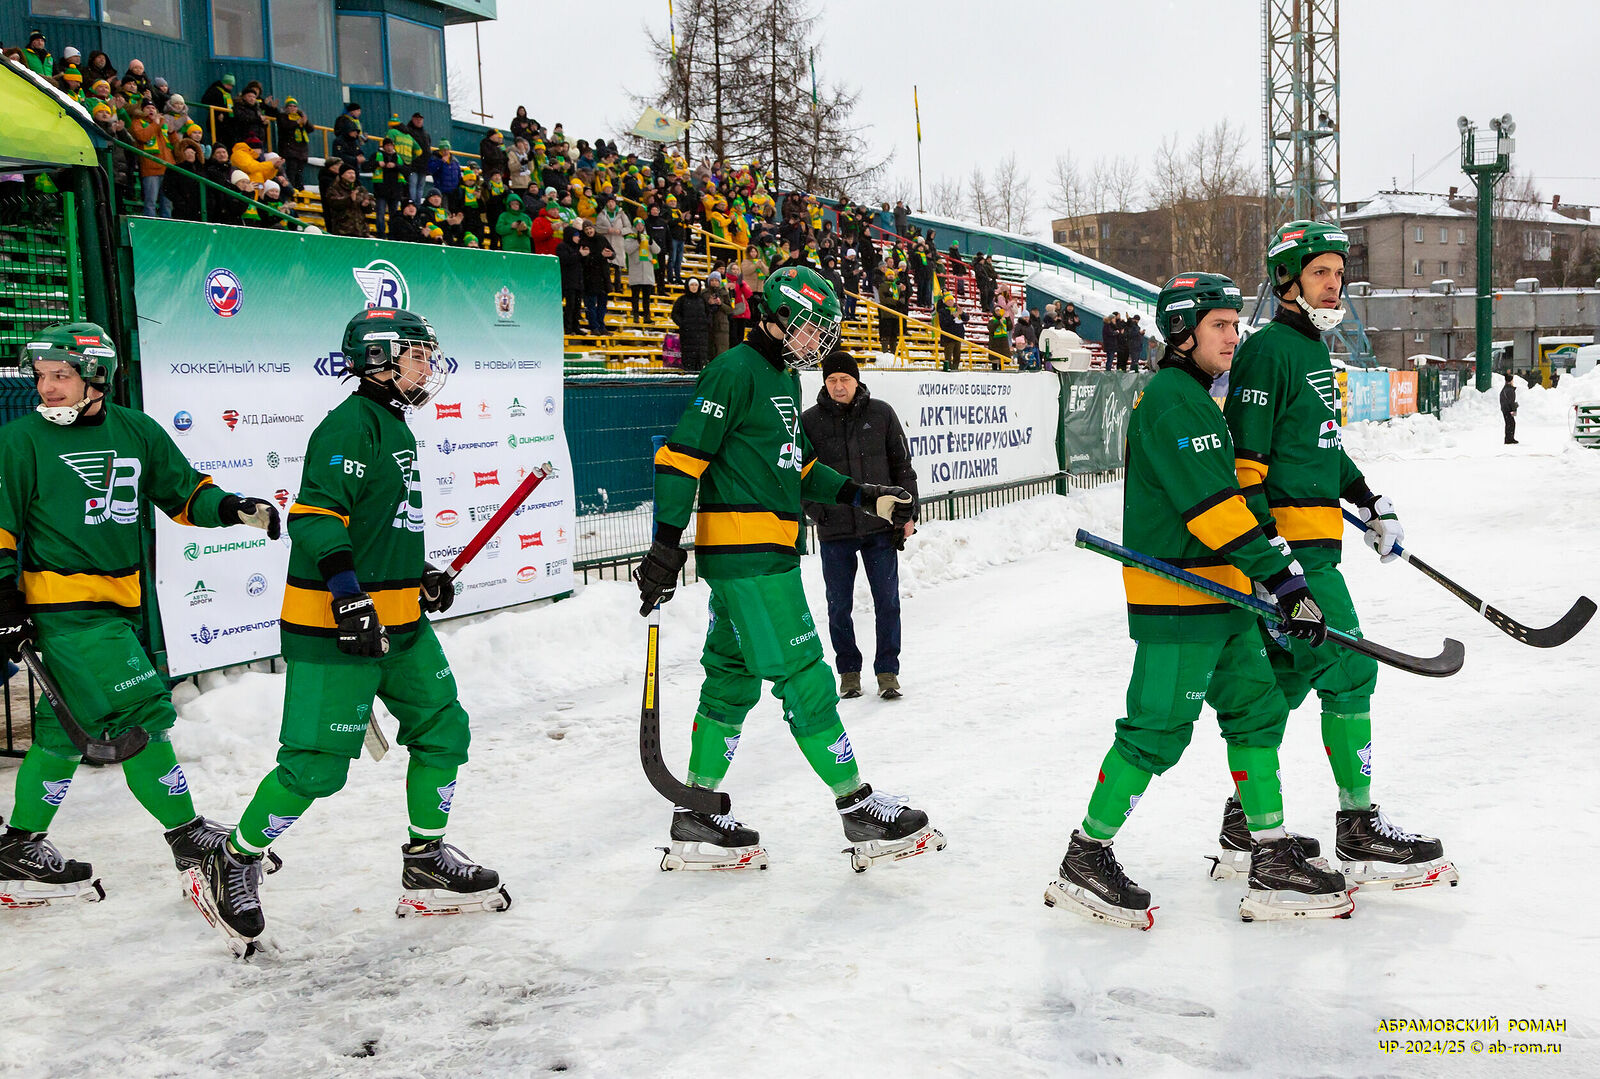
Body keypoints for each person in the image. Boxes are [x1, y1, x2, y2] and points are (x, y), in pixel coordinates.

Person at [190, 308, 508, 955]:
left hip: (400, 621)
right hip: (335, 627)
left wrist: (417, 574)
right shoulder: (350, 425)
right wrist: (349, 598)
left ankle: (425, 857)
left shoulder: (393, 424)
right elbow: (315, 519)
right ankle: (234, 857)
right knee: (316, 767)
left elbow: (375, 526)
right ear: (379, 360)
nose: (428, 364)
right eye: (417, 353)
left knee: (444, 730)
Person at [1044, 274, 1350, 930]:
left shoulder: (1200, 398)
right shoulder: (1173, 400)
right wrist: (1286, 581)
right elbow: (1212, 511)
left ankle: (1268, 852)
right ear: (1182, 332)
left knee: (1257, 712)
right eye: (1220, 325)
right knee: (1156, 730)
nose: (1234, 337)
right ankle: (1086, 854)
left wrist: (1266, 577)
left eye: (1236, 324)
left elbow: (1231, 504)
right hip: (1181, 601)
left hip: (1223, 597)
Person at [636, 266, 941, 873]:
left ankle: (696, 813)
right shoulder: (734, 371)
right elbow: (681, 458)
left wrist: (865, 496)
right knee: (804, 675)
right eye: (810, 327)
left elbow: (797, 467)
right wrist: (665, 545)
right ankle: (857, 806)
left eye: (823, 331)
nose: (817, 341)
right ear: (776, 317)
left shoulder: (781, 377)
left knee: (730, 679)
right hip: (748, 558)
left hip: (763, 556)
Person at [0, 323, 283, 911]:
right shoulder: (19, 440)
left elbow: (185, 494)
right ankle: (188, 836)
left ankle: (19, 845)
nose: (46, 388)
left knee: (62, 731)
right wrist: (3, 598)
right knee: (142, 713)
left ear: (96, 376)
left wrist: (234, 507)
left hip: (117, 606)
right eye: (42, 377)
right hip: (66, 611)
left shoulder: (137, 430)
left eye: (60, 376)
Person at [1223, 221, 1457, 891]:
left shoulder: (1312, 350)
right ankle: (1358, 827)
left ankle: (1245, 824)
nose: (1335, 283)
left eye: (1338, 271)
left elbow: (1323, 448)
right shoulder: (1268, 351)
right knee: (1351, 673)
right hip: (1296, 555)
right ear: (1287, 280)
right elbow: (1246, 468)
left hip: (1318, 542)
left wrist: (1371, 502)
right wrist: (1272, 566)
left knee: (1283, 686)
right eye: (1320, 271)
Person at [802, 351, 918, 701]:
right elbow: (799, 475)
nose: (838, 386)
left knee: (888, 602)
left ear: (857, 381)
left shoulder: (881, 414)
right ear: (824, 382)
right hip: (834, 531)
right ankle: (849, 672)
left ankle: (887, 671)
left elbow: (902, 466)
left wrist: (908, 514)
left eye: (845, 380)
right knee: (838, 606)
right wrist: (818, 513)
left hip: (880, 528)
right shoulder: (809, 422)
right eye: (832, 380)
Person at [578, 222, 614, 336]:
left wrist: (610, 254)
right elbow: (586, 261)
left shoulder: (601, 238)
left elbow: (612, 253)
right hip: (590, 278)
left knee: (603, 305)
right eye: (586, 230)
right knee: (591, 305)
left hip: (603, 277)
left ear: (594, 228)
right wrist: (601, 255)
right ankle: (594, 326)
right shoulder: (583, 242)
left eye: (590, 228)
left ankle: (601, 326)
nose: (589, 231)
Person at [670, 277, 710, 372]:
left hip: (701, 336)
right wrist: (683, 324)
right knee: (688, 362)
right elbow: (674, 314)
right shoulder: (682, 300)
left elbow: (709, 314)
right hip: (687, 336)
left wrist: (706, 324)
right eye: (692, 285)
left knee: (700, 362)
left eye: (696, 285)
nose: (694, 287)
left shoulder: (702, 300)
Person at [323, 163, 374, 237]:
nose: (352, 175)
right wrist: (349, 199)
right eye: (349, 173)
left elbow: (370, 206)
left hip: (361, 231)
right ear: (342, 175)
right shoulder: (335, 189)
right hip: (343, 231)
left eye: (353, 173)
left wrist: (366, 205)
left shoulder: (361, 189)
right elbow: (334, 203)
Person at [625, 218, 659, 322]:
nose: (640, 227)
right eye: (638, 225)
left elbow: (657, 250)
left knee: (646, 297)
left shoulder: (647, 237)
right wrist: (637, 242)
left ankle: (647, 316)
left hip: (647, 271)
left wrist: (651, 243)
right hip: (636, 270)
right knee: (635, 295)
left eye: (641, 225)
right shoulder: (630, 237)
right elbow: (628, 250)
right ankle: (635, 314)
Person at [557, 224, 585, 334]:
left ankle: (575, 326)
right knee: (570, 305)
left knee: (577, 306)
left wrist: (584, 255)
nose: (578, 238)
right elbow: (565, 260)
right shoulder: (562, 247)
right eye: (576, 235)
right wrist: (579, 254)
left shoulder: (578, 247)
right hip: (568, 282)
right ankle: (568, 327)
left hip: (578, 281)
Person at [404, 114, 432, 204]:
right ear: (413, 119)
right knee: (413, 185)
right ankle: (412, 205)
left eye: (420, 119)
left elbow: (428, 148)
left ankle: (417, 205)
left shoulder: (425, 133)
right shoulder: (408, 131)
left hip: (423, 165)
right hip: (413, 164)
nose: (419, 121)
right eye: (417, 119)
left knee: (420, 187)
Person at [1500, 370, 1519, 444]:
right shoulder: (1510, 390)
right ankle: (1509, 439)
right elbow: (1511, 401)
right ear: (1511, 381)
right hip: (1508, 409)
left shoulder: (1505, 389)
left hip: (1505, 409)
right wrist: (1514, 409)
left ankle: (1508, 438)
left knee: (1509, 423)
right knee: (1511, 424)